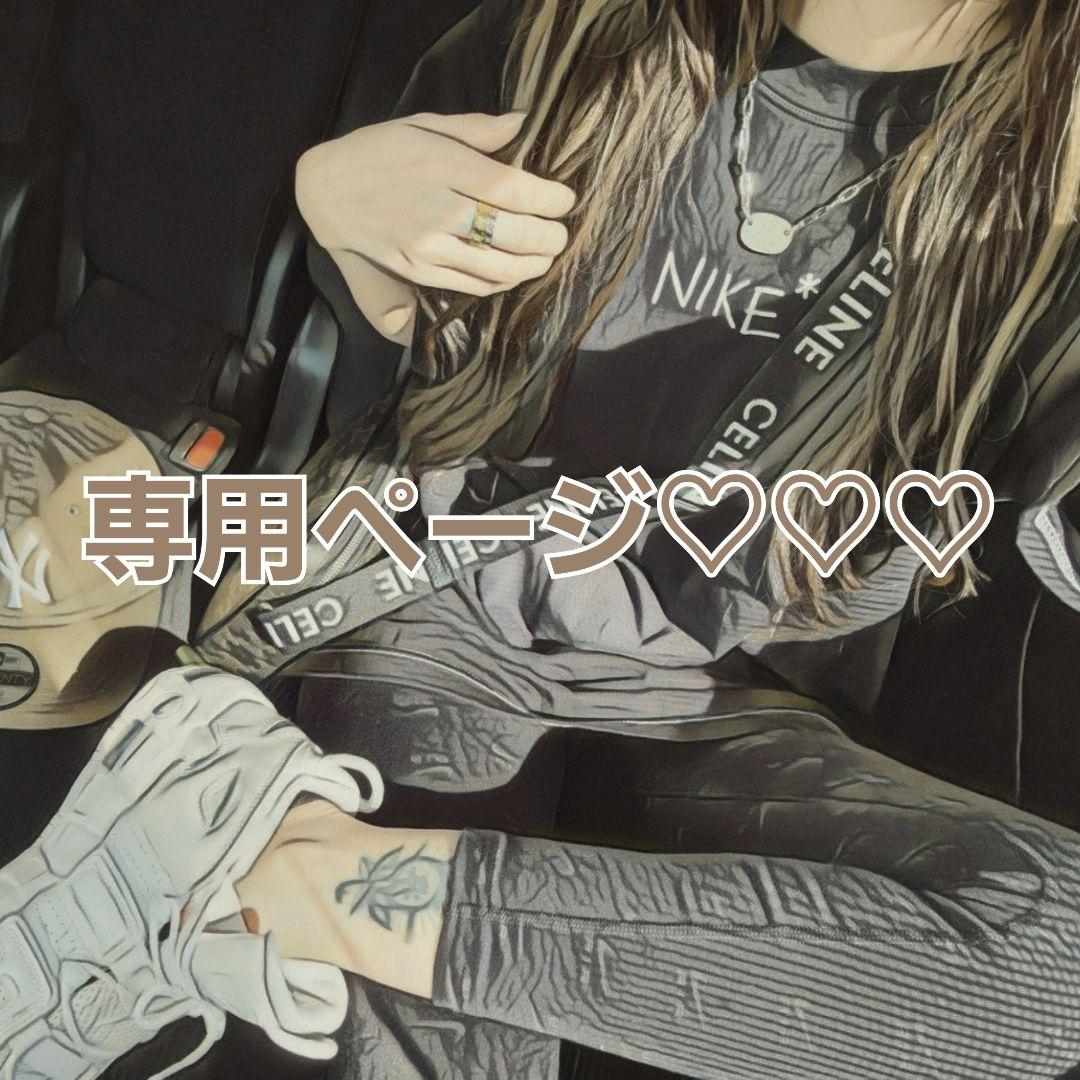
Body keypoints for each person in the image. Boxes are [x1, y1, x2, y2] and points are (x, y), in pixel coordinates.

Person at [4, 1, 1080, 1078]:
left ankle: (240, 871)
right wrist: (328, 197)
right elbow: (396, 351)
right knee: (418, 1017)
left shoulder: (1053, 180)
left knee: (1053, 970)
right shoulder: (566, 40)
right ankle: (238, 872)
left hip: (707, 699)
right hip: (442, 598)